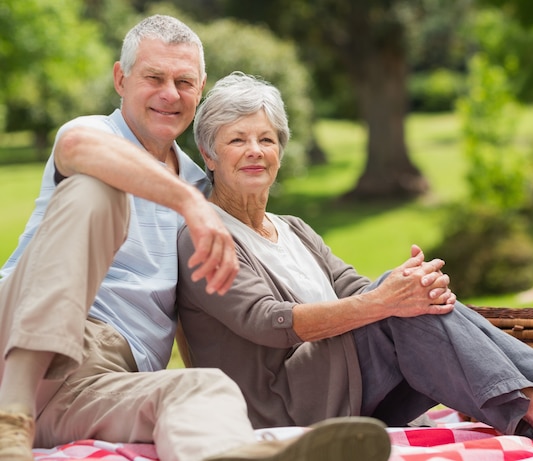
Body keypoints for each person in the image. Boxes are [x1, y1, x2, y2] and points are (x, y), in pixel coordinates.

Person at [0, 16, 392, 461]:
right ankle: (9, 416)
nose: (170, 94)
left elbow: (196, 306)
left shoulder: (200, 186)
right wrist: (188, 204)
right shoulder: (92, 135)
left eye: (184, 81)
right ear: (120, 79)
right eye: (154, 77)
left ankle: (234, 454)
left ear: (200, 88)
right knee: (96, 189)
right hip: (15, 338)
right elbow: (76, 153)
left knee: (205, 385)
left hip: (100, 380)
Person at [177, 71, 533, 446]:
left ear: (280, 151)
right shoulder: (204, 237)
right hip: (283, 410)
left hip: (349, 394)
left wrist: (410, 285)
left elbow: (353, 287)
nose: (256, 151)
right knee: (401, 307)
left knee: (416, 299)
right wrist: (387, 301)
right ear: (210, 156)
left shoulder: (293, 228)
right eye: (238, 140)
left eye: (267, 139)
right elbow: (268, 322)